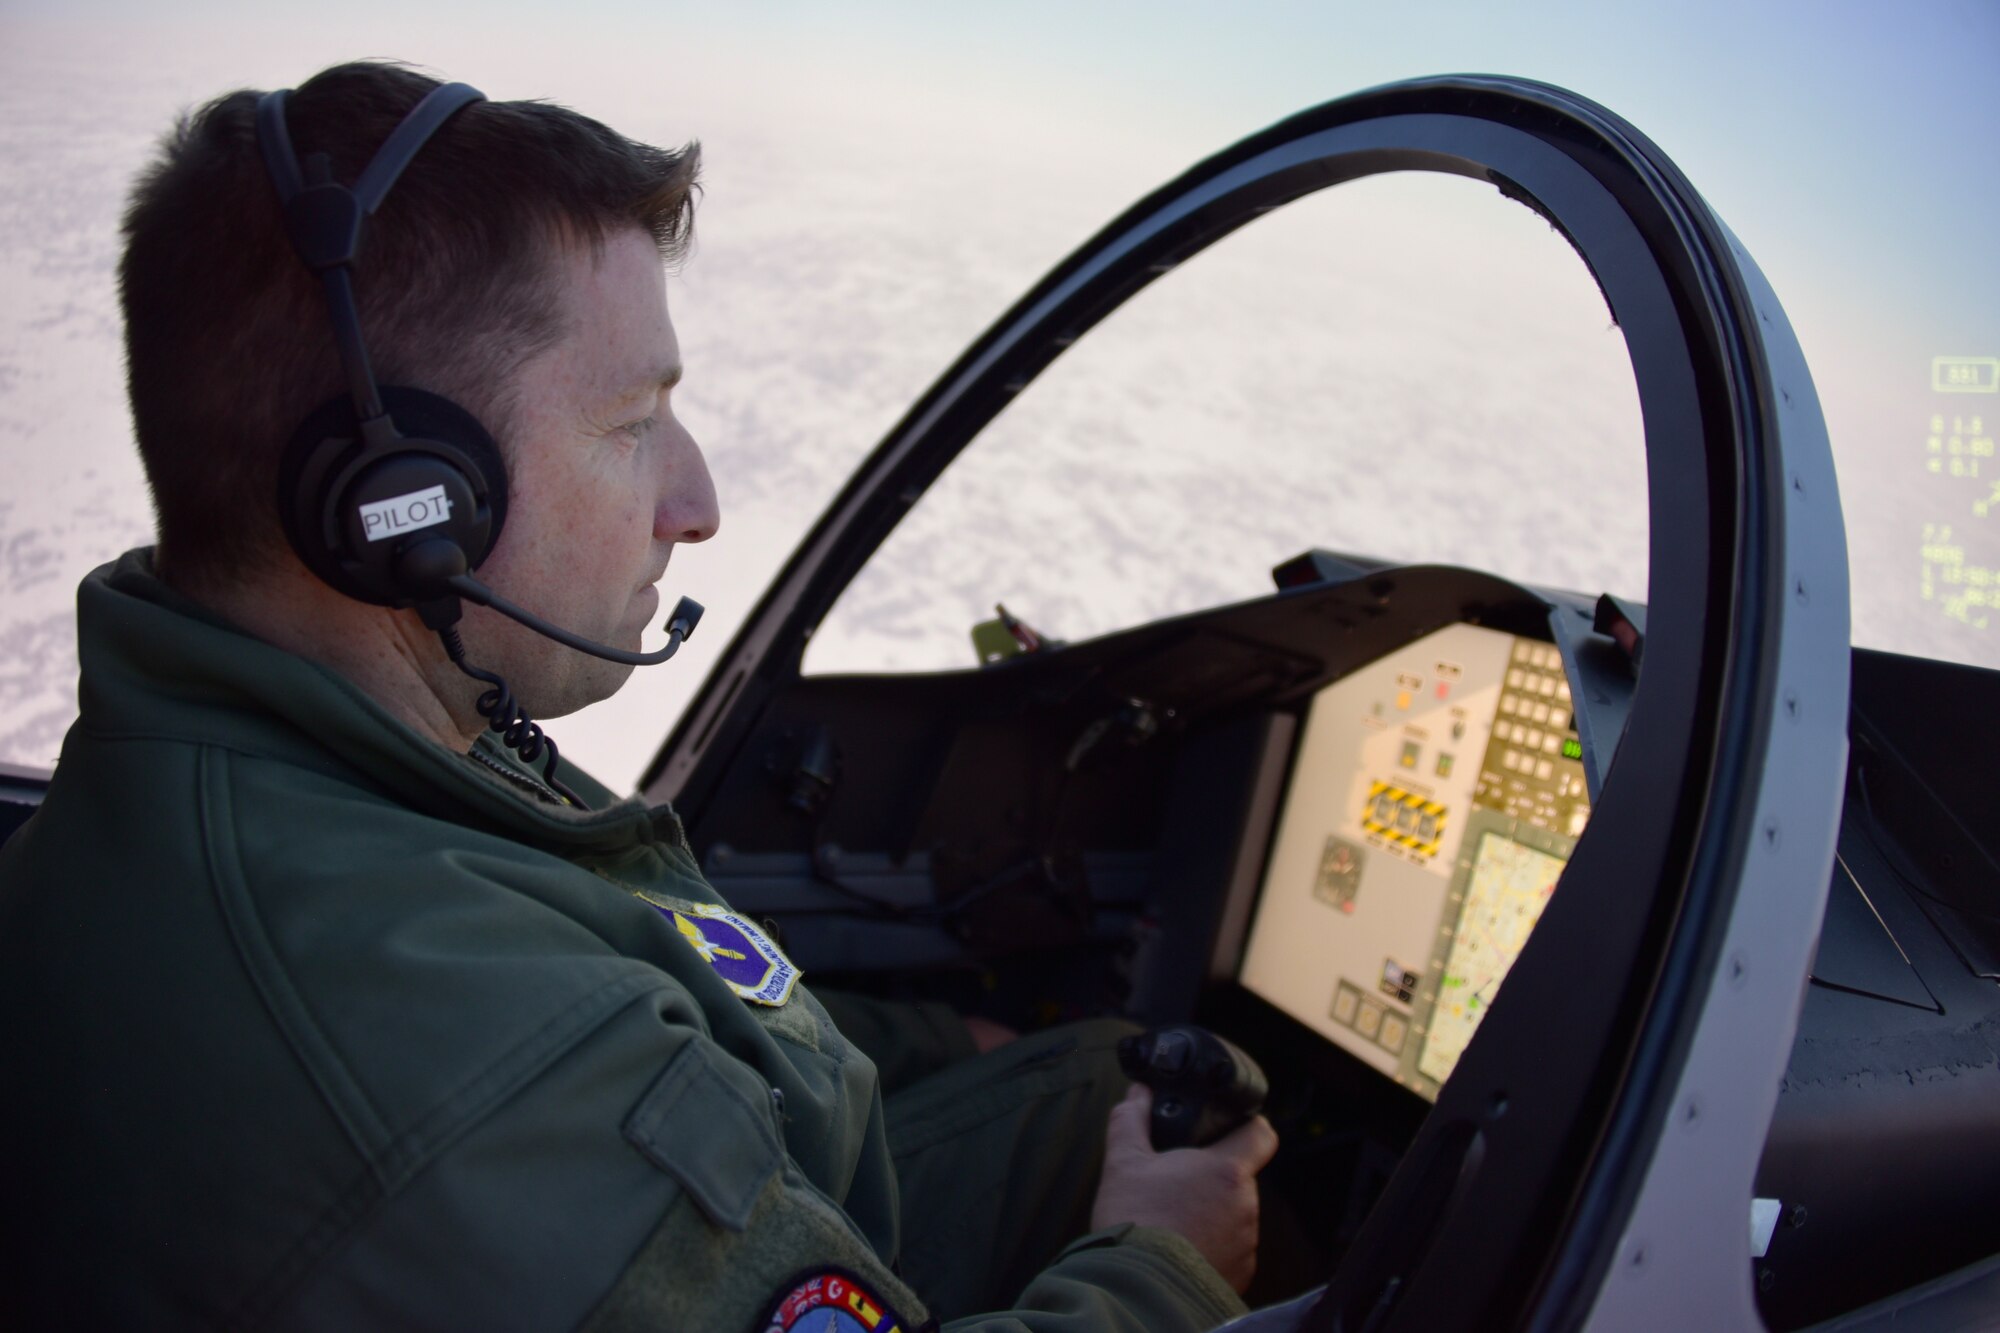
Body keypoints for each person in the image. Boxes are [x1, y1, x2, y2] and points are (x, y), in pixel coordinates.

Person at [0, 60, 1276, 1330]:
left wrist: (939, 1051)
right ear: (401, 499)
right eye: (629, 423)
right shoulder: (473, 1087)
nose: (697, 504)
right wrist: (1159, 1270)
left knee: (1096, 1077)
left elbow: (642, 954)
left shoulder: (324, 739)